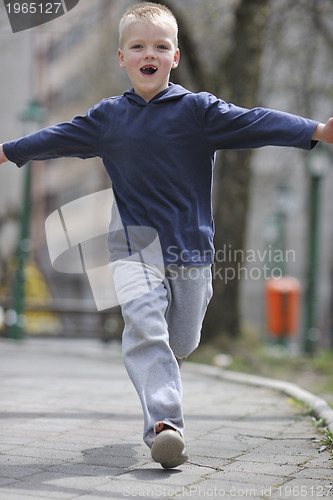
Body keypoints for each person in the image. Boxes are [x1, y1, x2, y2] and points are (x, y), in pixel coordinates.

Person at [1, 2, 333, 469]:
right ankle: (165, 425)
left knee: (179, 342)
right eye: (137, 46)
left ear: (174, 57)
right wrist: (7, 151)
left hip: (190, 249)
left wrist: (315, 130)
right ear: (122, 58)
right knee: (144, 322)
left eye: (160, 46)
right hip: (133, 246)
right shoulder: (108, 118)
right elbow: (55, 136)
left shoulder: (198, 111)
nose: (148, 53)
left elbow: (255, 120)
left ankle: (153, 365)